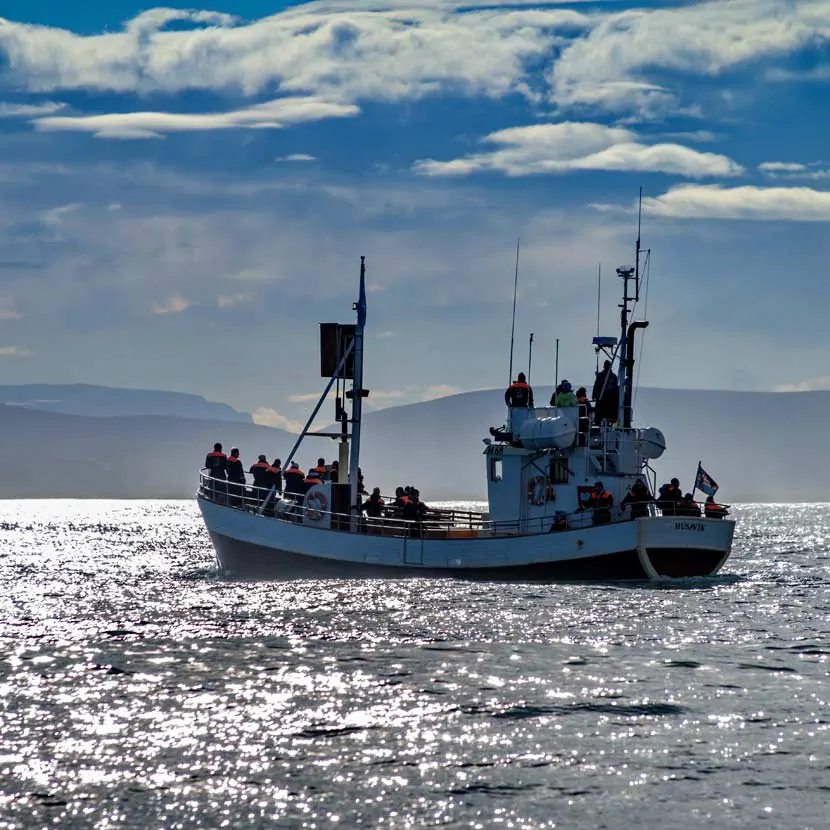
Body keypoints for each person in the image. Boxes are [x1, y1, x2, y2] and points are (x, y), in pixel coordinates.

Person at [592, 360, 619, 425]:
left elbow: (596, 385)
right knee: (610, 415)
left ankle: (598, 424)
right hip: (612, 401)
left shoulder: (600, 375)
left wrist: (594, 395)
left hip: (602, 399)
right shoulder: (614, 376)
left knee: (599, 414)